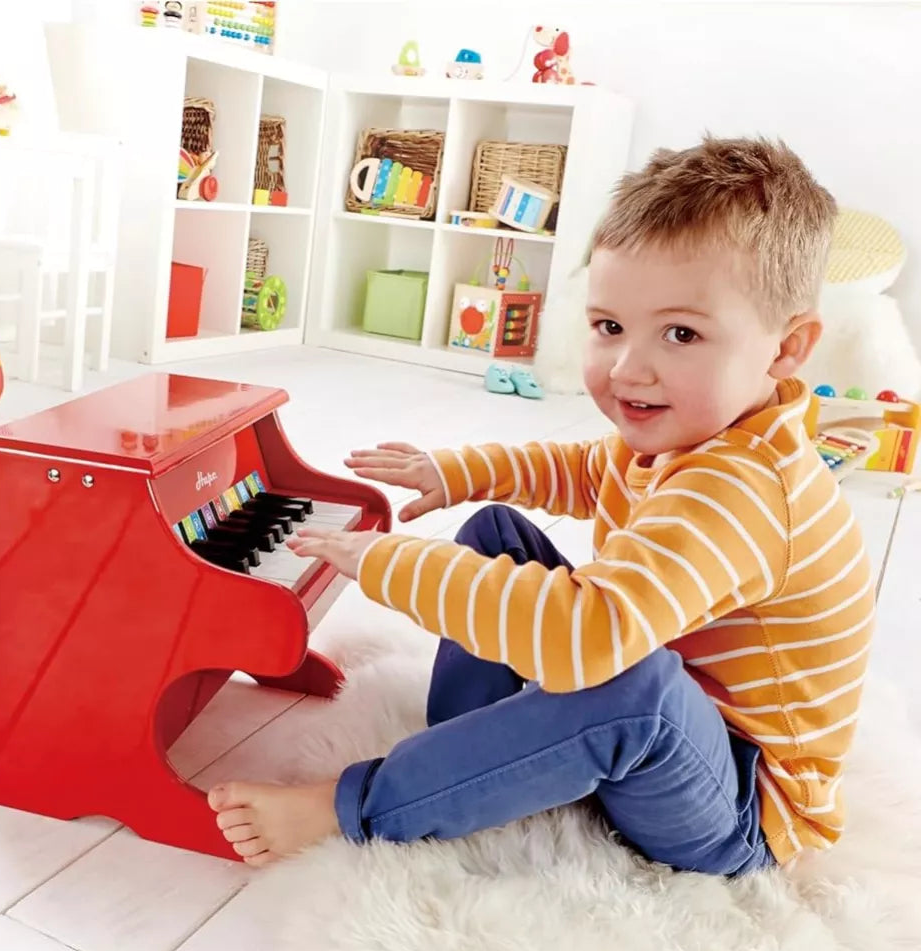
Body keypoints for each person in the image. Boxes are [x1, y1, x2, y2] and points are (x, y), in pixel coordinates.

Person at [207, 135, 874, 876]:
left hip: (738, 807)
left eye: (681, 333)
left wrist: (391, 563)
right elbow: (584, 470)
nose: (628, 367)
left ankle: (359, 804)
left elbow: (592, 638)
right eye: (609, 327)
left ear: (786, 351)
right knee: (495, 532)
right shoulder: (688, 432)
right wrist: (458, 474)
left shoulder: (743, 489)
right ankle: (477, 752)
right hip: (685, 725)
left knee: (629, 686)